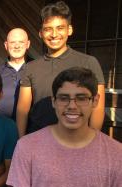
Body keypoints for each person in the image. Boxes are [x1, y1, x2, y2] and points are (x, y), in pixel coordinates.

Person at [7, 67, 122, 187]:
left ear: (95, 100)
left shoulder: (116, 153)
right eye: (64, 98)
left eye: (81, 98)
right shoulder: (27, 147)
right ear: (54, 101)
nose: (72, 106)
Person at [16, 1, 105, 137]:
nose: (54, 34)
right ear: (40, 33)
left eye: (60, 28)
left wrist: (91, 142)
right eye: (48, 29)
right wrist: (21, 141)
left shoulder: (88, 62)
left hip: (77, 140)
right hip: (39, 141)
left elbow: (97, 107)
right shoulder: (30, 67)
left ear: (69, 30)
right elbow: (22, 110)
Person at [0, 28, 30, 120]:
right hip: (3, 129)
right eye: (12, 42)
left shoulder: (36, 69)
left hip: (31, 131)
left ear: (28, 44)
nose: (17, 46)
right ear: (6, 45)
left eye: (21, 42)